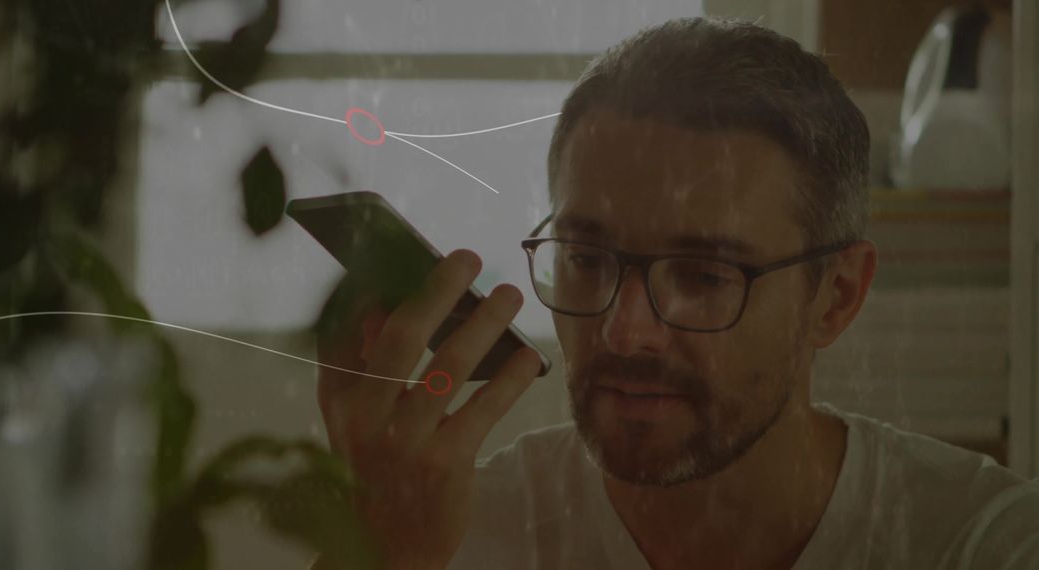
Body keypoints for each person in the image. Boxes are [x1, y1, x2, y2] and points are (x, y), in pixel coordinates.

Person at [314, 17, 1039, 570]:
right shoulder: (441, 534)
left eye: (704, 276)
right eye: (587, 259)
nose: (625, 331)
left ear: (837, 297)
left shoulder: (981, 543)